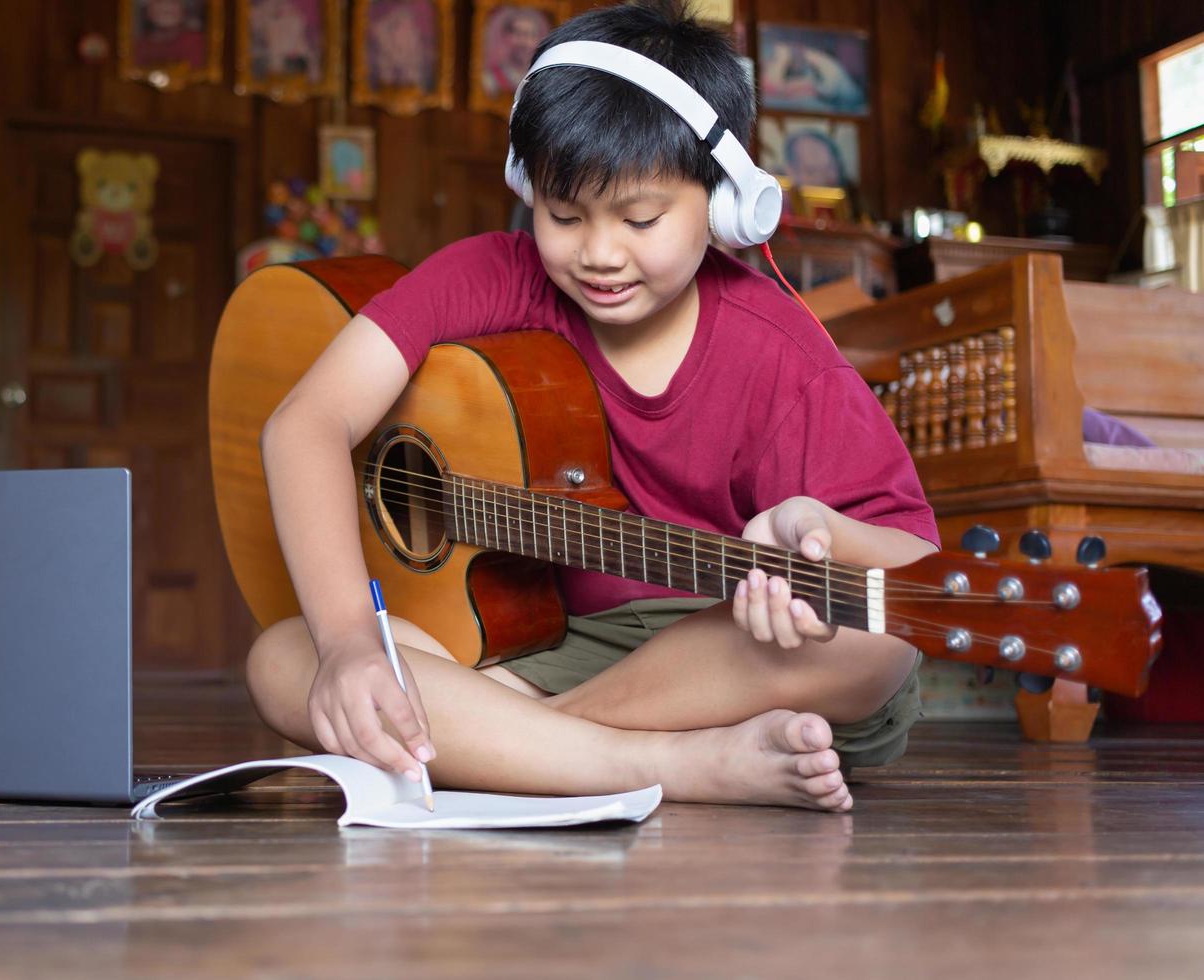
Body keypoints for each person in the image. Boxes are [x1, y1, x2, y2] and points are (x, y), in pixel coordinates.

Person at [244, 0, 938, 812]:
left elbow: (922, 577)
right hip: (548, 645)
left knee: (874, 645)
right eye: (562, 215)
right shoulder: (490, 276)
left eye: (640, 218)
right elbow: (306, 423)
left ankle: (529, 749)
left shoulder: (782, 354)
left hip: (728, 659)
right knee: (286, 658)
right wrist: (350, 645)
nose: (599, 254)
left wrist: (816, 532)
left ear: (724, 204)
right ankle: (676, 769)